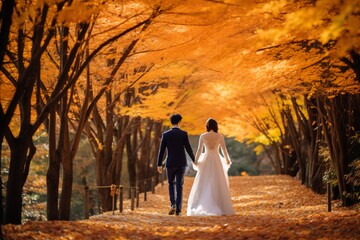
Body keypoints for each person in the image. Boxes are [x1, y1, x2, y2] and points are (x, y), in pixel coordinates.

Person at [187, 118, 235, 216]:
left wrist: (195, 161)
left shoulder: (203, 136)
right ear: (216, 126)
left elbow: (199, 150)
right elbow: (224, 150)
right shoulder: (220, 136)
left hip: (206, 160)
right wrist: (227, 160)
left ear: (207, 126)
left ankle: (204, 204)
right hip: (217, 160)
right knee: (218, 181)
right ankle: (219, 205)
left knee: (204, 181)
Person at [157, 114, 195, 216]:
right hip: (181, 163)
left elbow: (162, 150)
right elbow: (188, 148)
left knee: (171, 184)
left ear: (171, 122)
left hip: (170, 163)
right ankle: (178, 210)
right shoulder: (183, 134)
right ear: (179, 122)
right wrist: (194, 160)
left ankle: (172, 204)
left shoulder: (166, 134)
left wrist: (159, 164)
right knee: (179, 185)